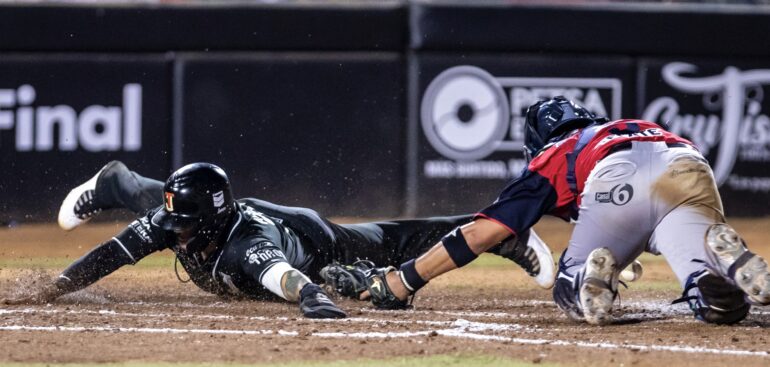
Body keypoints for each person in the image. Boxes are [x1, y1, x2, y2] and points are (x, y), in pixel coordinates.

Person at [347, 96, 770, 325]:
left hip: (614, 174)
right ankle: (718, 265)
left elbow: (481, 233)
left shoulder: (551, 155)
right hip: (687, 161)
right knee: (718, 307)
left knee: (569, 286)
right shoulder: (619, 125)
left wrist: (404, 280)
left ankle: (586, 274)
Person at [1, 161, 555, 319]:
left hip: (313, 239)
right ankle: (110, 179)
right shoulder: (182, 218)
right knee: (145, 195)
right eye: (177, 226)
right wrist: (55, 287)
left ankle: (504, 236)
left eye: (187, 227)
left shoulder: (246, 246)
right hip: (235, 212)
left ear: (212, 223)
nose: (177, 237)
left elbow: (282, 278)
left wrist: (313, 295)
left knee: (395, 238)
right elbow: (114, 252)